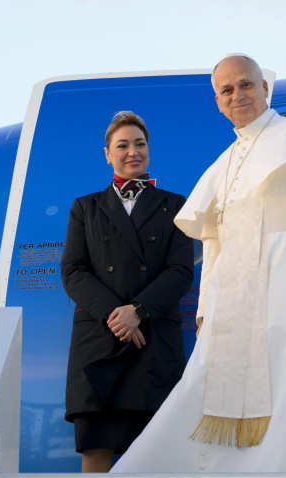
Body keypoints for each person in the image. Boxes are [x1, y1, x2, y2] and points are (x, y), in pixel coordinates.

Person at [110, 46, 286, 473]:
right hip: (235, 300)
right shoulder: (223, 164)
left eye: (245, 85)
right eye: (226, 90)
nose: (237, 95)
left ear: (264, 88)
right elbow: (216, 243)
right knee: (207, 387)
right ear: (218, 103)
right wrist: (205, 311)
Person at [60, 111, 194, 472]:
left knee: (155, 457)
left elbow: (181, 271)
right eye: (122, 145)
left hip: (152, 342)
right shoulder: (85, 208)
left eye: (140, 143)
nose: (132, 151)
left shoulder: (175, 205)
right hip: (100, 342)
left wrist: (138, 310)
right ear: (107, 153)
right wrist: (116, 315)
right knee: (97, 453)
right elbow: (72, 271)